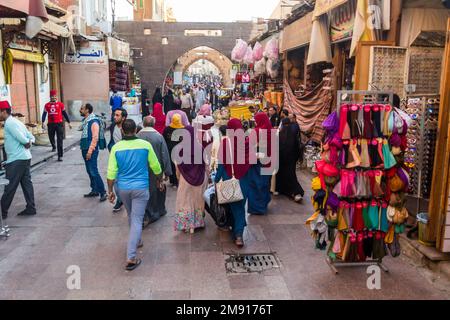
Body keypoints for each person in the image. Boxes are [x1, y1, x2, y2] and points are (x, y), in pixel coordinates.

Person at [107, 119, 162, 271]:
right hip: (141, 188)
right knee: (137, 218)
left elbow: (111, 173)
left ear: (122, 131)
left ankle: (137, 239)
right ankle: (131, 256)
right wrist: (160, 180)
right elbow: (156, 166)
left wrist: (110, 191)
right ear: (136, 131)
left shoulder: (116, 148)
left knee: (132, 215)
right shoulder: (145, 145)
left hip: (123, 188)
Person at [215, 119, 251, 247]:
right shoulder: (246, 143)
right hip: (244, 182)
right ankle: (238, 227)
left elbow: (220, 165)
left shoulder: (225, 143)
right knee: (239, 207)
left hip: (229, 180)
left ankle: (238, 235)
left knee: (235, 207)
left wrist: (215, 180)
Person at [0, 101, 36, 219]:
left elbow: (23, 139)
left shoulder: (10, 123)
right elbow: (31, 137)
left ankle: (2, 212)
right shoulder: (17, 122)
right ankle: (31, 208)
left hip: (16, 159)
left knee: (10, 186)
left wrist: (27, 142)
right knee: (26, 184)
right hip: (24, 157)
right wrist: (29, 142)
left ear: (4, 112)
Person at [137, 116, 172, 225]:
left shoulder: (137, 136)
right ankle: (155, 212)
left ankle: (146, 213)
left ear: (143, 124)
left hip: (140, 169)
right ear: (154, 124)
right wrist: (167, 172)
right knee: (155, 190)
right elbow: (164, 155)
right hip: (155, 170)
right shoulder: (159, 137)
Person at [174, 125, 207, 234]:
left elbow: (177, 165)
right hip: (199, 178)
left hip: (185, 179)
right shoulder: (200, 147)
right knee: (197, 201)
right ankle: (197, 224)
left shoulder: (180, 149)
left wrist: (179, 177)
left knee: (185, 201)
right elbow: (205, 164)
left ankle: (187, 225)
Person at [79, 103, 107, 202]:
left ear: (87, 110)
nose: (80, 110)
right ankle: (94, 190)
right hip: (85, 148)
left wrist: (90, 151)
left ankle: (103, 192)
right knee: (89, 170)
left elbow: (95, 138)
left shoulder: (93, 121)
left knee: (93, 171)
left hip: (91, 149)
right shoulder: (86, 121)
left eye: (82, 109)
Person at [247, 113, 272, 215]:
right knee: (265, 184)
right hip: (268, 162)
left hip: (257, 162)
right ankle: (263, 205)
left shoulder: (256, 131)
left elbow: (248, 144)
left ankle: (257, 208)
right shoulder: (271, 131)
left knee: (255, 184)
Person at [276, 118, 304, 202]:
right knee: (291, 175)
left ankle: (294, 193)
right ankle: (294, 193)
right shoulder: (293, 135)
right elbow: (298, 149)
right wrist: (297, 158)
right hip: (291, 160)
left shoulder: (279, 134)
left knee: (283, 175)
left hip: (281, 160)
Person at [42, 90, 72, 162]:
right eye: (52, 96)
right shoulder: (47, 105)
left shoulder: (60, 104)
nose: (54, 97)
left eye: (55, 96)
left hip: (59, 124)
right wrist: (43, 122)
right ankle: (53, 146)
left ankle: (60, 156)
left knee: (60, 140)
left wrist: (69, 122)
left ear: (56, 96)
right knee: (51, 137)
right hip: (51, 124)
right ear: (50, 97)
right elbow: (44, 114)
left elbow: (64, 113)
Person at [107, 108, 128, 212]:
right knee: (115, 179)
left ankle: (127, 199)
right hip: (116, 157)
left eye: (117, 115)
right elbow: (112, 139)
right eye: (114, 115)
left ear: (123, 118)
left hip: (126, 158)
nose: (114, 117)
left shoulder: (128, 128)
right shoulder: (112, 126)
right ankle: (120, 200)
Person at [163, 111, 188, 188]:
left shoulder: (167, 129)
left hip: (170, 150)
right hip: (181, 150)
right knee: (181, 165)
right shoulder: (184, 129)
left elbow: (164, 139)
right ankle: (180, 180)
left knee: (172, 165)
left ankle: (173, 181)